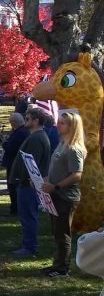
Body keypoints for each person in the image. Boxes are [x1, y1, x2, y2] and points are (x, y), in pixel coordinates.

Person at [41, 112, 85, 277]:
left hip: (65, 196)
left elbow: (77, 174)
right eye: (58, 122)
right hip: (55, 194)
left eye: (62, 123)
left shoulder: (74, 149)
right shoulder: (62, 144)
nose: (58, 125)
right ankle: (57, 264)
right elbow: (56, 170)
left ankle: (62, 268)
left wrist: (56, 186)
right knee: (57, 232)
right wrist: (43, 180)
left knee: (63, 233)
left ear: (71, 127)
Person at [9, 109, 53, 256]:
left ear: (36, 121)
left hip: (29, 184)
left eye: (28, 119)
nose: (25, 121)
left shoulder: (37, 138)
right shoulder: (36, 136)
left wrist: (27, 179)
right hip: (27, 183)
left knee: (28, 215)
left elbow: (32, 163)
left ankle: (29, 246)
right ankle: (27, 243)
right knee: (26, 215)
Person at [1, 113, 30, 215]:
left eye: (11, 122)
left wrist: (4, 143)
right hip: (16, 163)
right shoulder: (24, 131)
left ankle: (15, 209)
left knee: (13, 187)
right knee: (14, 187)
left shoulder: (19, 133)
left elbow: (12, 148)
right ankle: (15, 207)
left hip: (14, 163)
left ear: (14, 122)